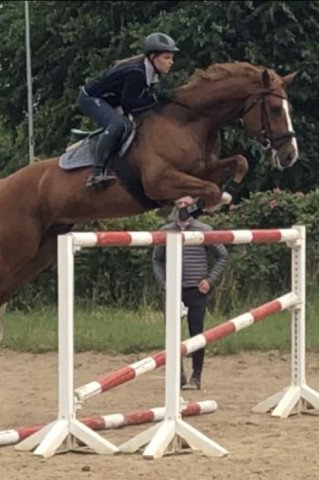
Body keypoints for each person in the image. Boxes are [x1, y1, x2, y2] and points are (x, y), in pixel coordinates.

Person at [76, 32, 179, 190]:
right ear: (152, 56)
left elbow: (146, 100)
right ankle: (96, 174)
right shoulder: (137, 73)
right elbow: (130, 104)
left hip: (111, 101)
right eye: (166, 57)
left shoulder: (150, 74)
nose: (171, 62)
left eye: (171, 58)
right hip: (90, 99)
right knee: (118, 124)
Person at [152, 196, 229, 390]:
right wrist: (163, 282)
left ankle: (197, 376)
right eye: (179, 204)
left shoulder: (205, 230)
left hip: (196, 289)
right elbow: (157, 260)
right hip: (173, 291)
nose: (182, 208)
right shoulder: (165, 231)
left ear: (193, 206)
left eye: (186, 205)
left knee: (197, 333)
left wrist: (210, 281)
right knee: (173, 334)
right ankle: (178, 375)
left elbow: (222, 255)